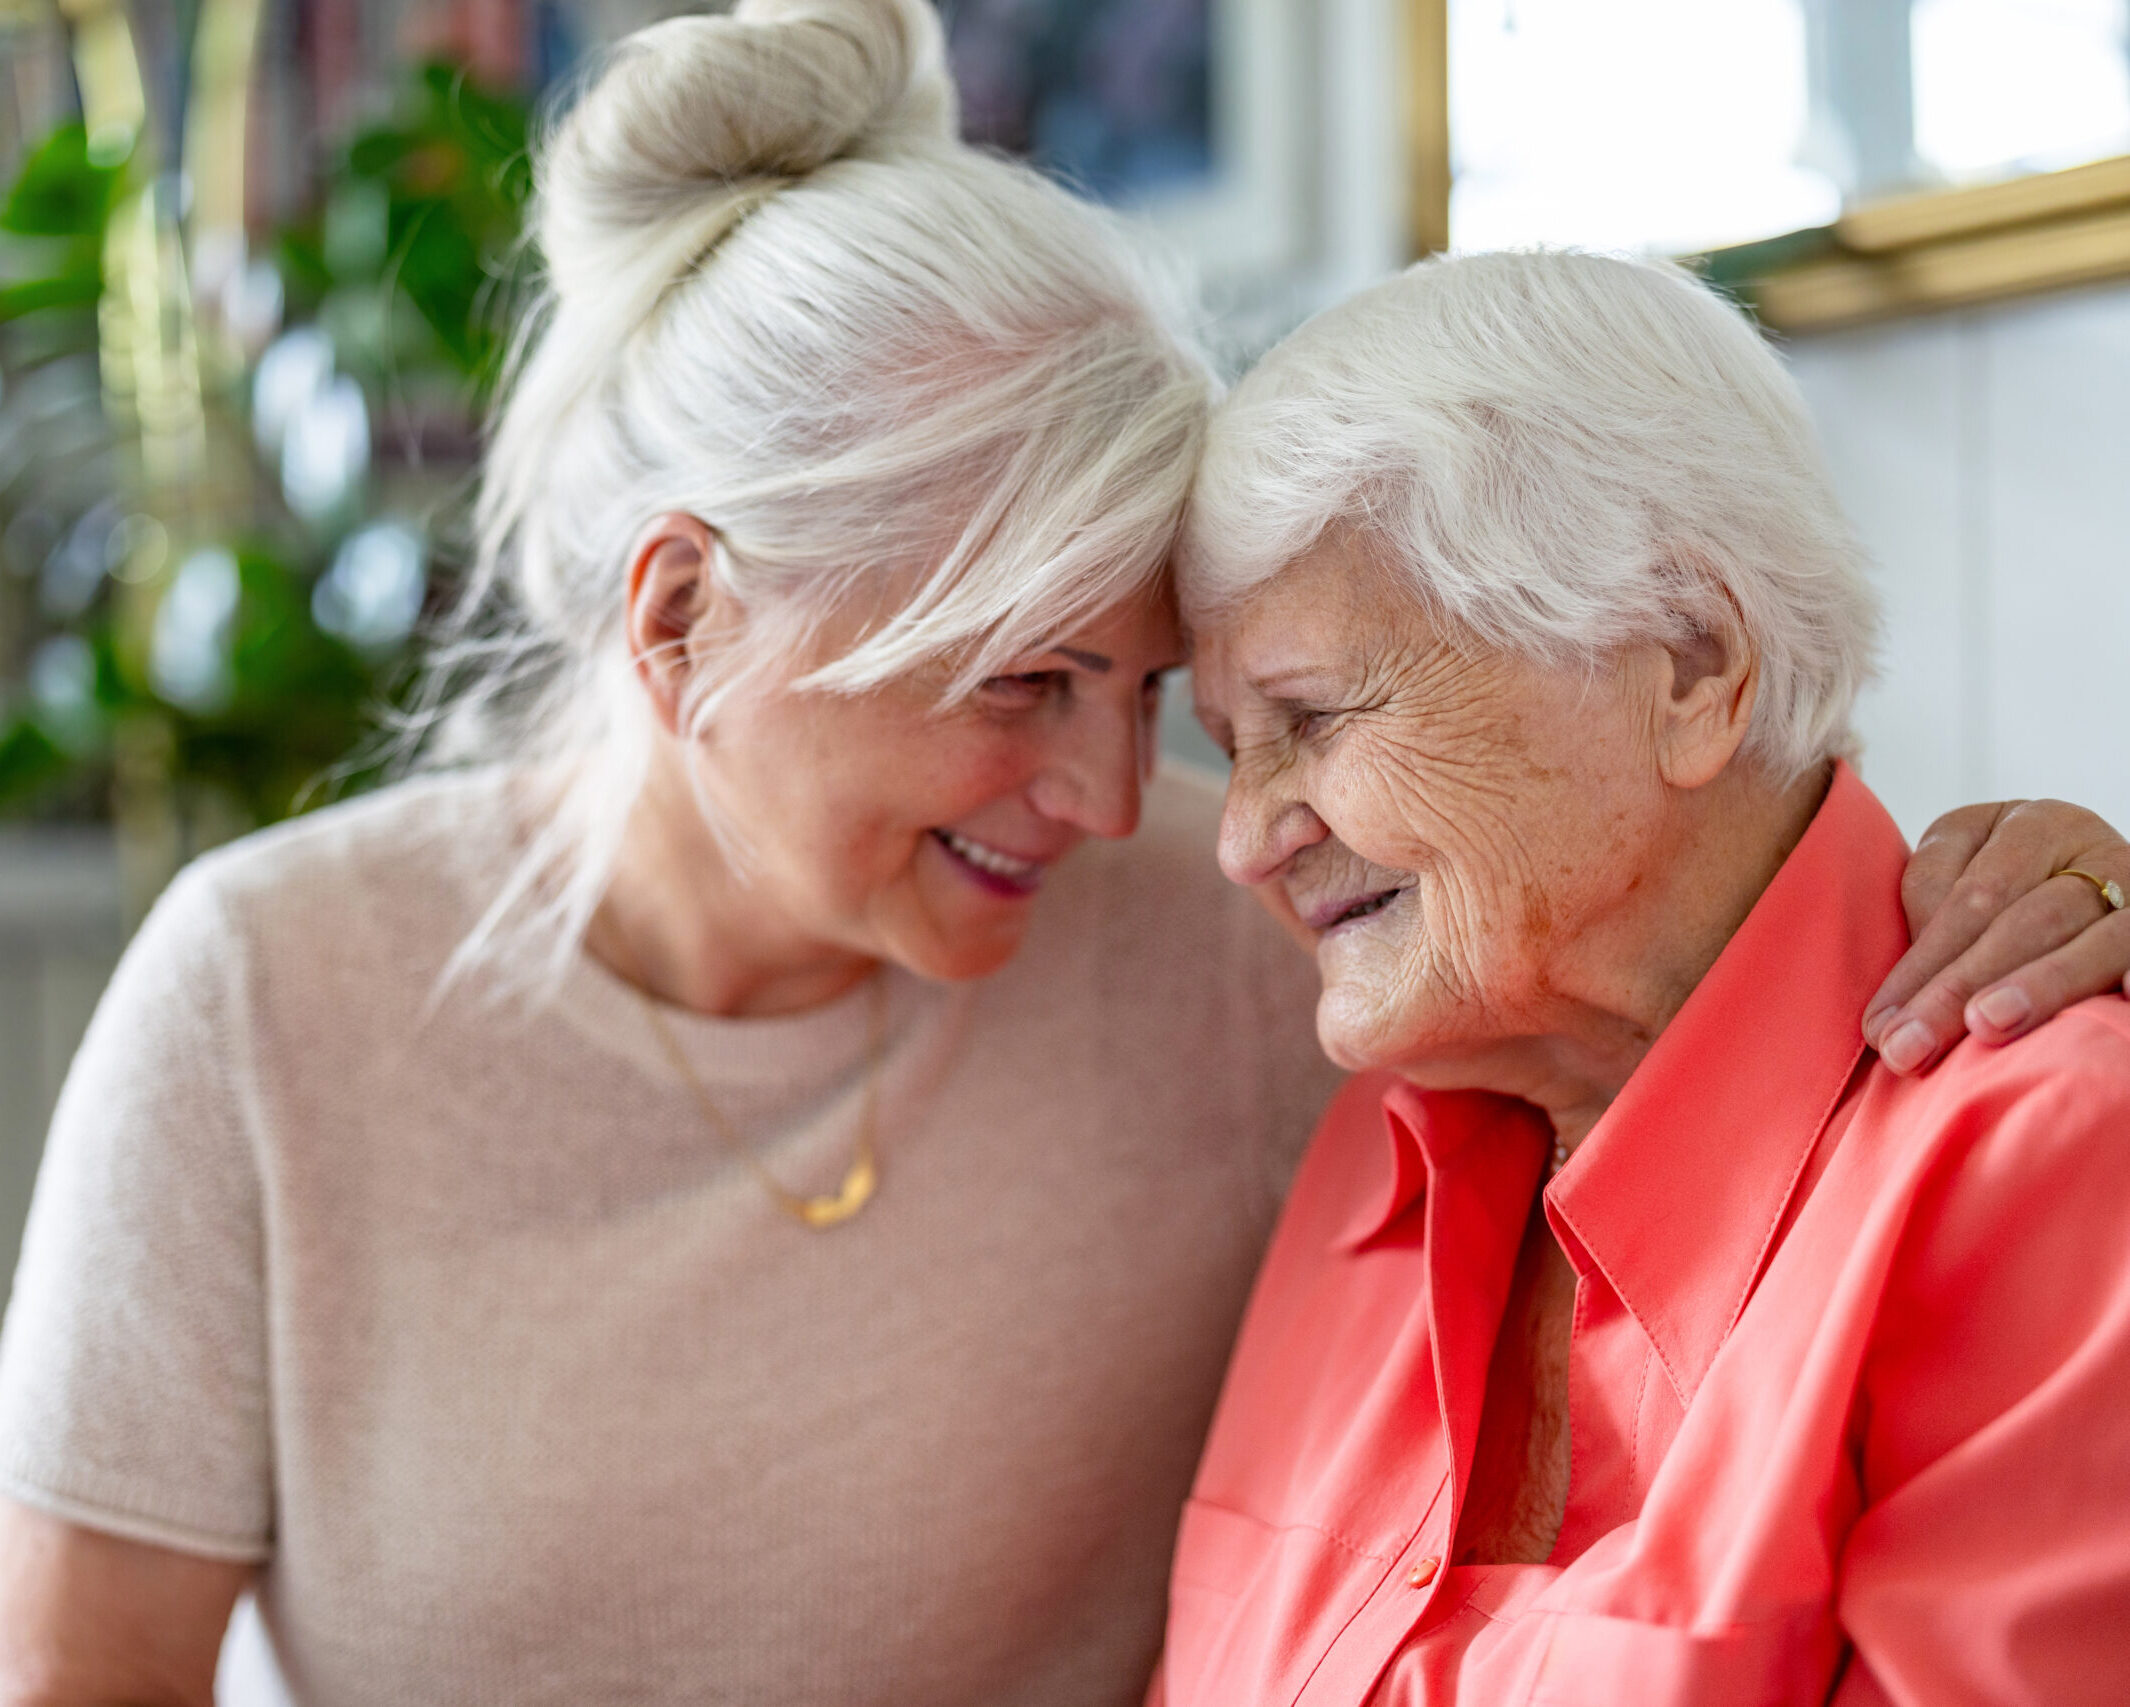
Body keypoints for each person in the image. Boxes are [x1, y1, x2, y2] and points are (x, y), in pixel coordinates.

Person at [0, 7, 2120, 1701]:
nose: (1131, 810)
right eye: (1020, 681)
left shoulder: (1286, 973)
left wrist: (2059, 871)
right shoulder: (268, 992)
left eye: (1151, 696)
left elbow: (1717, 913)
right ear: (679, 619)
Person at [1158, 249, 2130, 1706]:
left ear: (1687, 662)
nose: (1240, 838)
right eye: (1230, 745)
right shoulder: (1368, 1157)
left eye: (1311, 718)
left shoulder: (2046, 1158)